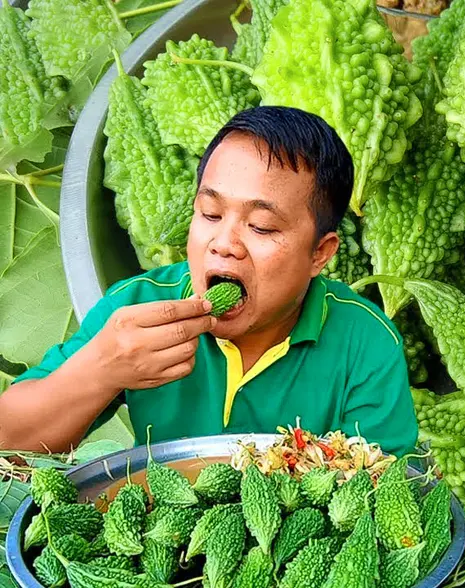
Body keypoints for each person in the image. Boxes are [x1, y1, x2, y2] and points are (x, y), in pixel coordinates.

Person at [0, 106, 417, 456]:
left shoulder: (367, 342)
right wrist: (101, 370)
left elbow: (382, 494)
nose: (224, 244)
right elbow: (9, 439)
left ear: (320, 254)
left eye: (262, 226)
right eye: (210, 214)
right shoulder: (137, 307)